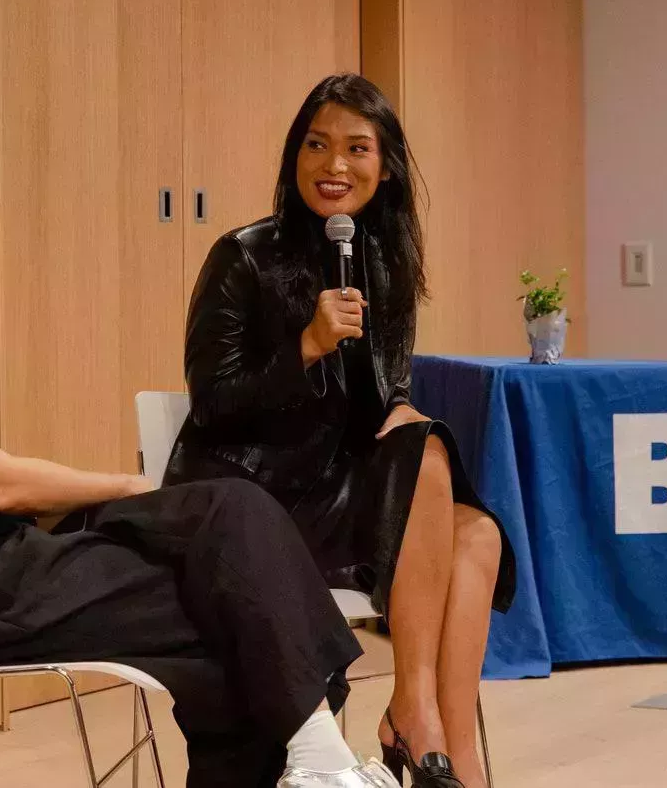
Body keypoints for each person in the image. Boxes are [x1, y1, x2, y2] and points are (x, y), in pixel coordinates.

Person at [0, 98, 400, 788]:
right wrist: (122, 484)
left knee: (237, 551)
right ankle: (321, 760)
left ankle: (319, 760)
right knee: (237, 586)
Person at [162, 74, 515, 788]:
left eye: (358, 149)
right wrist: (305, 347)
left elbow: (385, 394)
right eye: (318, 146)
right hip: (254, 501)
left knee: (475, 527)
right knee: (432, 456)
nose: (335, 166)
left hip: (335, 487)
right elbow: (213, 402)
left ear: (384, 169)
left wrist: (400, 410)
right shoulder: (244, 255)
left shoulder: (381, 261)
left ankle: (452, 750)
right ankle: (416, 715)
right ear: (295, 158)